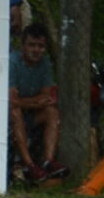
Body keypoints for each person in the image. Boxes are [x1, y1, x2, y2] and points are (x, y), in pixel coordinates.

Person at [8, 22, 64, 182]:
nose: (36, 50)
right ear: (23, 45)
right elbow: (11, 101)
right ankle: (30, 165)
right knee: (15, 111)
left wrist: (26, 102)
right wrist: (34, 102)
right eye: (32, 45)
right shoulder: (12, 62)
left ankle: (48, 161)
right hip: (11, 117)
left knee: (52, 111)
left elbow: (46, 97)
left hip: (31, 114)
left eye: (40, 46)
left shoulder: (45, 63)